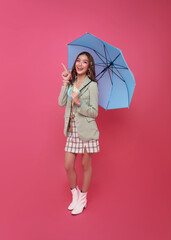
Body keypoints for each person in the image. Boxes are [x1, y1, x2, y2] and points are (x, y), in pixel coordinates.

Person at [58, 51, 100, 215]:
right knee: (68, 165)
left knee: (85, 165)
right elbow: (61, 102)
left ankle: (83, 199)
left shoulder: (92, 86)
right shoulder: (71, 82)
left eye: (84, 62)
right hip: (72, 129)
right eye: (78, 61)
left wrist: (78, 102)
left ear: (89, 67)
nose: (80, 64)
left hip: (87, 130)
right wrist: (65, 82)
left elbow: (94, 112)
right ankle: (74, 195)